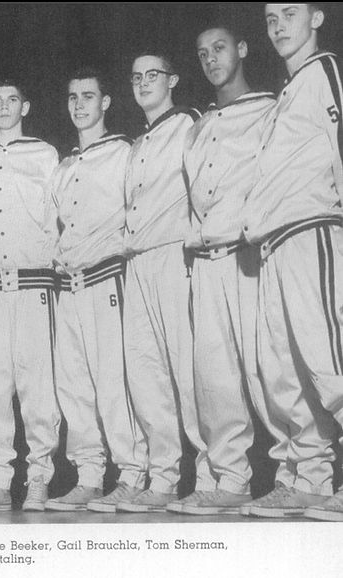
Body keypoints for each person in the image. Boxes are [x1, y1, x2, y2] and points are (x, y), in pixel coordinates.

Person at [180, 24, 290, 516]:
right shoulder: (200, 123)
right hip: (205, 262)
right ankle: (231, 479)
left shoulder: (271, 107)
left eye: (219, 48)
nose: (211, 59)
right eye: (202, 53)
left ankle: (305, 475)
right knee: (215, 379)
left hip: (250, 257)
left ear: (242, 50)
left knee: (271, 370)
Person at [242, 3, 342, 521]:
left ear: (317, 18)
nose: (278, 25)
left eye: (289, 13)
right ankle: (312, 480)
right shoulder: (285, 94)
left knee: (332, 363)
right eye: (270, 18)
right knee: (287, 377)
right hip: (274, 245)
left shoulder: (323, 71)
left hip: (312, 232)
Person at [43, 68, 148, 513]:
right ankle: (88, 476)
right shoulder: (64, 166)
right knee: (74, 386)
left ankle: (133, 472)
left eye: (89, 96)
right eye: (72, 97)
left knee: (113, 382)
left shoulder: (124, 152)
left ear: (106, 102)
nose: (79, 104)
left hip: (108, 278)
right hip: (69, 287)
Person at [117, 52, 216, 513]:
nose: (143, 83)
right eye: (136, 77)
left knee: (188, 372)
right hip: (137, 264)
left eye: (152, 74)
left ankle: (215, 476)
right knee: (146, 375)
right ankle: (163, 479)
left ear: (173, 79)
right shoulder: (138, 143)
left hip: (175, 256)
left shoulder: (189, 123)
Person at [0, 80, 60, 512]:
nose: (4, 106)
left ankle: (39, 478)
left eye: (12, 99)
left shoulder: (45, 154)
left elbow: (58, 218)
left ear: (26, 105)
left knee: (38, 386)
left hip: (33, 284)